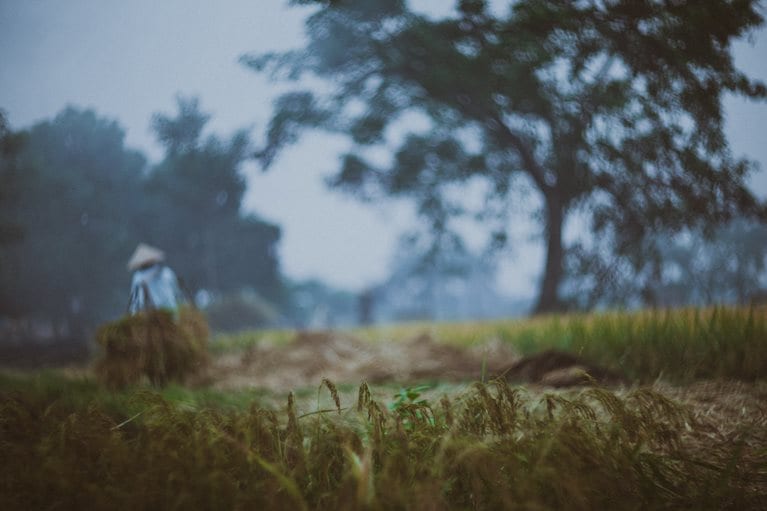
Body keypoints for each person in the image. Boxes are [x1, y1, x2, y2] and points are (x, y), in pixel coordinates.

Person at [126, 243, 185, 315]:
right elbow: (177, 293)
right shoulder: (166, 272)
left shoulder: (164, 273)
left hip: (162, 311)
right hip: (163, 311)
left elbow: (136, 301)